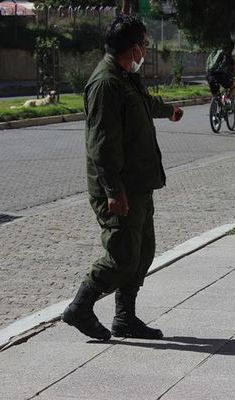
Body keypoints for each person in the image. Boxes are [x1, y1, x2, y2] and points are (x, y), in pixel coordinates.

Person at [62, 15, 183, 341]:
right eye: (144, 43)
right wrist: (113, 191)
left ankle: (125, 318)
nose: (146, 48)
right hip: (119, 188)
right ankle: (81, 307)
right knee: (122, 256)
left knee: (143, 252)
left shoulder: (126, 76)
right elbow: (102, 146)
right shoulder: (106, 84)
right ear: (132, 48)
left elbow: (143, 104)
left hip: (138, 185)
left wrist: (168, 110)